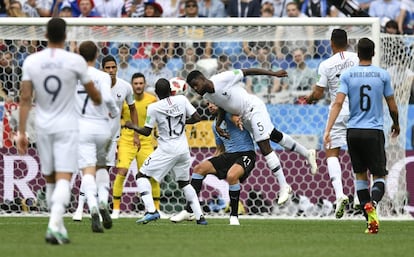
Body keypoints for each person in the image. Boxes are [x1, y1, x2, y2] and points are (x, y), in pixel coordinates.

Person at [16, 18, 102, 245]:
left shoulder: (32, 61)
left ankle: (59, 228)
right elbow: (93, 93)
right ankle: (54, 224)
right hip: (67, 126)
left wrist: (21, 132)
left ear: (46, 35)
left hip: (43, 126)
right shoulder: (75, 61)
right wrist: (98, 98)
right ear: (65, 36)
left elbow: (25, 98)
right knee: (64, 177)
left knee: (51, 179)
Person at [186, 68, 318, 206]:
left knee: (263, 145)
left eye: (196, 85)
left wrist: (273, 74)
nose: (196, 89)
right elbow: (223, 107)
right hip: (245, 117)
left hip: (254, 108)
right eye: (193, 88)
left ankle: (284, 186)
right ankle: (307, 153)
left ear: (202, 79)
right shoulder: (207, 96)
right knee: (274, 135)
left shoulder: (223, 78)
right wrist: (218, 125)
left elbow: (247, 71)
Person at [323, 37, 400, 233]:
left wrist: (328, 129)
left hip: (353, 131)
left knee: (360, 177)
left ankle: (370, 223)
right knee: (379, 176)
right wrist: (396, 123)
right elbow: (392, 105)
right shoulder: (382, 75)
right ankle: (372, 203)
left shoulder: (348, 75)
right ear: (373, 53)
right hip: (373, 131)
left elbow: (338, 103)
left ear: (357, 54)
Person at [124, 78, 208, 225]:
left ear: (156, 93)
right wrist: (182, 121)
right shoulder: (182, 99)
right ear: (170, 90)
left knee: (141, 175)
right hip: (183, 149)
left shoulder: (154, 107)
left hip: (167, 149)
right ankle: (200, 216)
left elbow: (146, 131)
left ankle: (151, 211)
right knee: (184, 183)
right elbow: (197, 118)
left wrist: (133, 126)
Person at [72, 55, 139, 221]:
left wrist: (136, 133)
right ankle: (80, 208)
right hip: (93, 132)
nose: (110, 71)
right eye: (107, 68)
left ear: (117, 68)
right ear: (102, 69)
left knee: (103, 171)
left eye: (113, 67)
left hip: (112, 137)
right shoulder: (97, 85)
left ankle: (100, 207)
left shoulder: (125, 87)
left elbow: (133, 109)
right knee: (89, 170)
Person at [170, 102, 256, 225]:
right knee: (199, 168)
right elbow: (220, 150)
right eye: (208, 104)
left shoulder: (229, 114)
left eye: (214, 103)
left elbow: (235, 117)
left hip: (246, 154)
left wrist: (237, 120)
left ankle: (234, 216)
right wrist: (212, 164)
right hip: (228, 155)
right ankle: (189, 211)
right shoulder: (215, 125)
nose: (210, 106)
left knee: (232, 176)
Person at [305, 29, 359, 219]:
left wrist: (309, 98)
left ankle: (340, 194)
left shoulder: (326, 64)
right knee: (358, 152)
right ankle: (360, 193)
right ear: (348, 42)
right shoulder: (357, 58)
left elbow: (318, 93)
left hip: (337, 111)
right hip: (358, 111)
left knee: (331, 152)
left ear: (331, 43)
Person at [75, 41, 119, 232]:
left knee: (87, 171)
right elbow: (108, 99)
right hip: (102, 127)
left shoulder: (73, 76)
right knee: (102, 168)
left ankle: (92, 206)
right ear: (96, 56)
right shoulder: (103, 76)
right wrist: (114, 111)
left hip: (81, 128)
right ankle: (103, 201)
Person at [111, 72, 161, 219]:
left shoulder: (152, 100)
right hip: (127, 139)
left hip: (146, 140)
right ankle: (115, 209)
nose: (138, 86)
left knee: (151, 175)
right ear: (131, 85)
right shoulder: (126, 100)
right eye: (136, 83)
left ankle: (155, 209)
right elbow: (115, 118)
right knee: (122, 171)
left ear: (144, 84)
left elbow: (157, 120)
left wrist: (157, 139)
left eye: (141, 83)